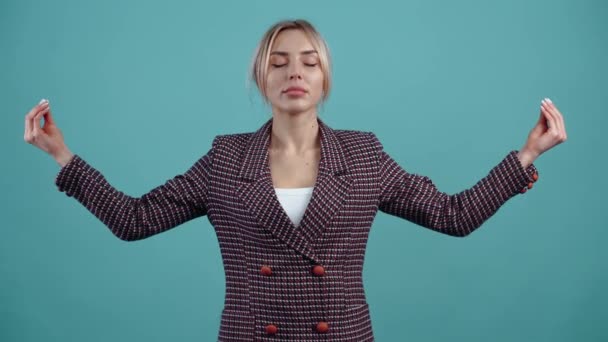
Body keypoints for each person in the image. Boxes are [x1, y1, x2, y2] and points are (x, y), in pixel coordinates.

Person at [23, 19, 567, 341]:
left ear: (324, 76)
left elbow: (454, 216)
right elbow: (135, 219)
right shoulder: (224, 159)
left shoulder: (363, 154)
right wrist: (63, 156)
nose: (295, 73)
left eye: (308, 62)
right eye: (280, 63)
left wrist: (525, 155)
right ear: (262, 77)